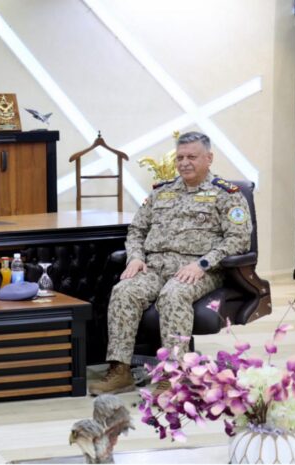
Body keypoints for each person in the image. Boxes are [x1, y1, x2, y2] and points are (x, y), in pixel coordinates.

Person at [89, 131, 252, 396]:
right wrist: (135, 257)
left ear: (209, 158)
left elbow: (239, 239)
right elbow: (137, 230)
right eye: (180, 157)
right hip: (154, 267)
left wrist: (202, 263)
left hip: (198, 270)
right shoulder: (161, 192)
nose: (184, 163)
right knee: (124, 290)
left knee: (173, 296)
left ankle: (174, 374)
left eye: (192, 157)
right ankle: (120, 371)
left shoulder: (226, 194)